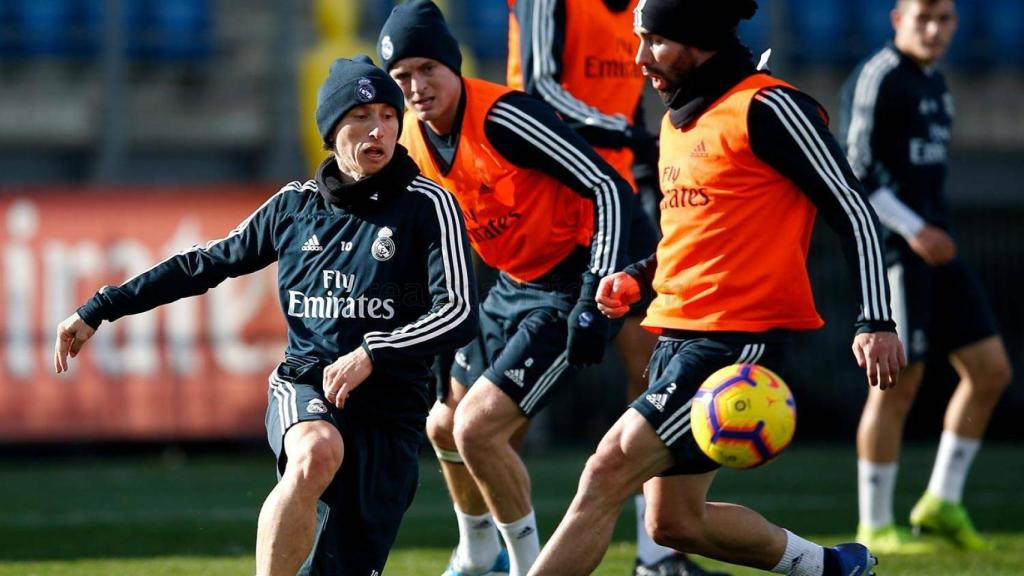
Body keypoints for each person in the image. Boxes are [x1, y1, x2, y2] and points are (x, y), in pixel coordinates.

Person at [53, 55, 478, 576]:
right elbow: (204, 263)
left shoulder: (429, 205)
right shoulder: (294, 208)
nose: (378, 130)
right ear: (331, 128)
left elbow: (458, 311)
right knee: (317, 451)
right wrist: (103, 305)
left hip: (391, 416)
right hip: (308, 386)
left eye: (388, 116)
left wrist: (373, 352)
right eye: (361, 116)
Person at [528, 0, 907, 574]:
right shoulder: (676, 118)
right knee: (674, 523)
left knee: (605, 469)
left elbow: (853, 210)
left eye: (654, 40)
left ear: (697, 36)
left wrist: (875, 319)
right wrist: (637, 277)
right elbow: (696, 234)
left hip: (733, 342)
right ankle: (830, 567)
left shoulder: (771, 106)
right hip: (673, 337)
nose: (639, 58)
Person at [376, 2, 633, 575]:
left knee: (478, 429)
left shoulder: (504, 116)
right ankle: (477, 555)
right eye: (402, 78)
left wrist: (594, 297)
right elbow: (429, 244)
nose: (415, 88)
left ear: (452, 64)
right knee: (441, 424)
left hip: (571, 282)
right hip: (512, 284)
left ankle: (528, 566)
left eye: (426, 69)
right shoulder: (413, 141)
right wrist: (431, 328)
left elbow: (608, 187)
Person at [506, 1, 723, 575]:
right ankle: (490, 552)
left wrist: (644, 166)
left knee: (651, 360)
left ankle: (656, 554)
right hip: (543, 212)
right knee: (496, 412)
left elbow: (634, 104)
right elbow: (540, 91)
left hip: (615, 208)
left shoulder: (645, 12)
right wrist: (628, 134)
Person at [840, 0, 1011, 554]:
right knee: (897, 384)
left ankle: (941, 501)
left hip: (938, 246)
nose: (935, 30)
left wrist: (928, 232)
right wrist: (914, 229)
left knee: (990, 372)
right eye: (924, 18)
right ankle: (874, 524)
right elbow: (856, 170)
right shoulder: (879, 76)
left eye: (946, 19)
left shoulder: (935, 85)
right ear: (897, 19)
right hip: (896, 251)